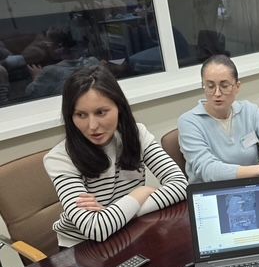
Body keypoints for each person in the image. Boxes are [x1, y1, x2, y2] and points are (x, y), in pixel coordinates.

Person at [44, 65, 188, 247]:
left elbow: (181, 186)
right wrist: (139, 194)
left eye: (100, 112)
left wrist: (117, 214)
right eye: (81, 115)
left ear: (119, 107)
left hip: (128, 231)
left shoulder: (137, 134)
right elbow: (95, 229)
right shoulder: (59, 158)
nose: (92, 126)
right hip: (82, 247)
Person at [178, 54, 259, 183]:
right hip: (212, 190)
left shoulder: (248, 110)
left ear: (237, 87)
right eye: (210, 86)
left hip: (251, 185)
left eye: (224, 86)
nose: (217, 93)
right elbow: (208, 170)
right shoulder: (189, 122)